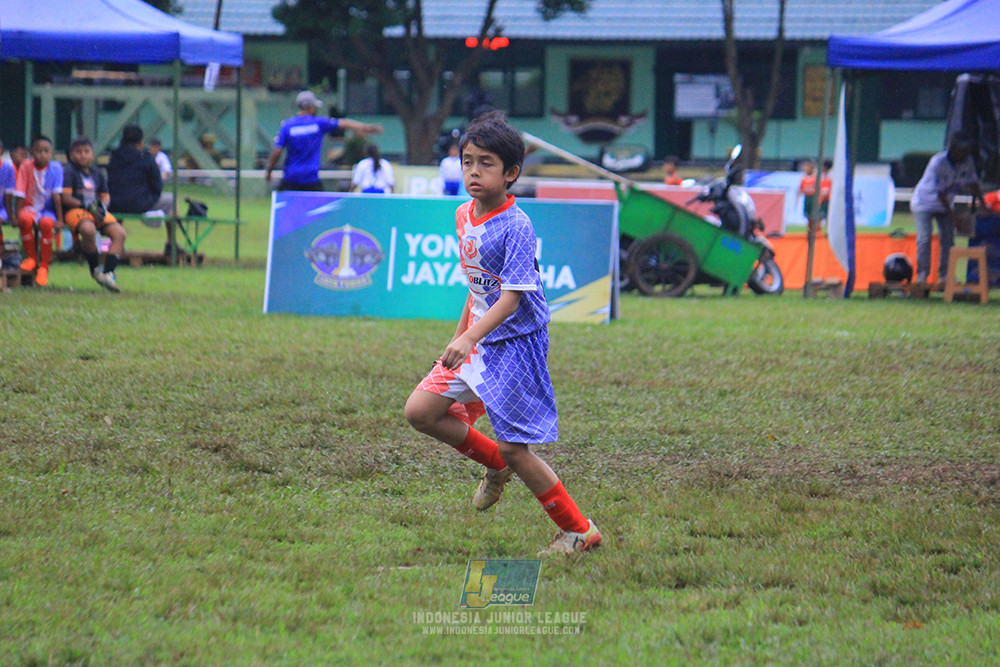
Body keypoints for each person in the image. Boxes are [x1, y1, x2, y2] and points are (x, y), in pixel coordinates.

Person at [403, 110, 602, 556]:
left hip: (514, 346)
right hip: (476, 338)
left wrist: (469, 338)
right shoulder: (462, 215)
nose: (473, 171)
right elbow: (477, 288)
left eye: (486, 162)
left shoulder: (517, 226)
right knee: (421, 411)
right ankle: (493, 465)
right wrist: (458, 339)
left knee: (517, 448)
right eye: (467, 160)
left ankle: (578, 531)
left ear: (511, 173)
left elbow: (510, 298)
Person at [265, 90, 382, 191]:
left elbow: (277, 151)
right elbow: (344, 123)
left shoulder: (288, 125)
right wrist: (366, 127)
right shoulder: (319, 123)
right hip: (310, 179)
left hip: (290, 178)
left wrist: (269, 170)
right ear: (310, 108)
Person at [910, 133, 985, 284]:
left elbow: (973, 184)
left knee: (948, 239)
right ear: (953, 149)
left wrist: (982, 203)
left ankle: (945, 276)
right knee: (925, 238)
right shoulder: (938, 162)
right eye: (961, 150)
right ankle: (922, 276)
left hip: (945, 205)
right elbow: (941, 193)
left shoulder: (966, 162)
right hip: (924, 203)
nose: (964, 154)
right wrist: (954, 217)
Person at [62, 137, 126, 292]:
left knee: (120, 233)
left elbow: (105, 196)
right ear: (71, 155)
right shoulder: (69, 172)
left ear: (92, 155)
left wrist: (102, 207)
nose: (82, 155)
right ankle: (95, 269)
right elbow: (66, 198)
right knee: (88, 230)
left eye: (86, 152)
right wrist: (86, 206)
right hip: (76, 211)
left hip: (95, 210)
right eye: (78, 152)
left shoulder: (97, 173)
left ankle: (109, 272)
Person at [12, 135, 63, 287]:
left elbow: (57, 195)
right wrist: (16, 215)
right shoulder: (26, 166)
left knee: (47, 224)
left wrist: (60, 219)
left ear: (52, 152)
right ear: (31, 152)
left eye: (46, 151)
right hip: (30, 207)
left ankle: (44, 266)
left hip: (47, 209)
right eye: (38, 151)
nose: (42, 154)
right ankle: (31, 258)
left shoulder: (56, 168)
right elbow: (20, 193)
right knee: (25, 220)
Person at [107, 125, 174, 221]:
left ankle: (114, 232)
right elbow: (157, 185)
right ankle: (171, 236)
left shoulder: (114, 158)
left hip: (114, 203)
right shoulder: (145, 158)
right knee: (171, 199)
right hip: (140, 204)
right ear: (140, 142)